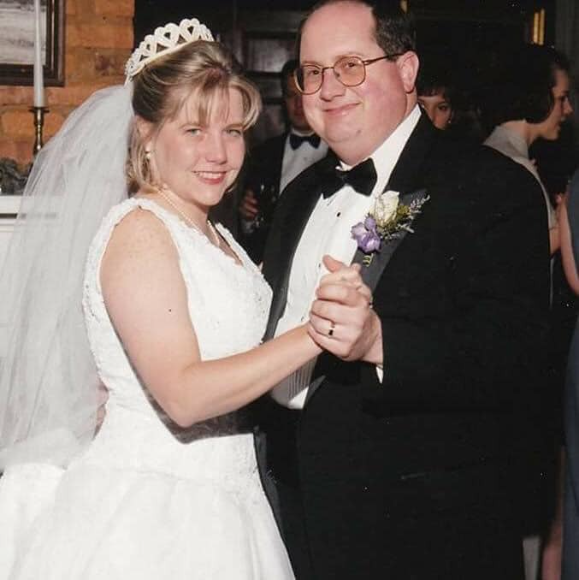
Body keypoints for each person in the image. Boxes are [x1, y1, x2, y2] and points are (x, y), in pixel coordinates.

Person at [0, 18, 367, 579]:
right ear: (146, 135)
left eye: (232, 130)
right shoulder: (140, 231)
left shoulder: (216, 237)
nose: (218, 152)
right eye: (194, 130)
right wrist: (316, 331)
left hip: (231, 498)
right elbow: (185, 397)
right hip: (157, 515)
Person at [256, 1, 551, 578]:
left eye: (350, 66)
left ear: (408, 69)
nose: (328, 89)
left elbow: (517, 358)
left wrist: (379, 343)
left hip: (423, 531)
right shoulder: (297, 197)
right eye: (312, 71)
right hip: (291, 513)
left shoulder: (491, 186)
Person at [484, 44, 573, 256]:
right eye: (562, 99)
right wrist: (568, 209)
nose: (568, 109)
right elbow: (531, 250)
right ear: (539, 96)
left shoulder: (495, 148)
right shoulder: (517, 164)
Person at [238, 59, 328, 262]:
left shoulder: (341, 153)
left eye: (303, 94)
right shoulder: (263, 154)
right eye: (290, 95)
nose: (298, 104)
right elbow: (250, 232)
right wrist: (247, 217)